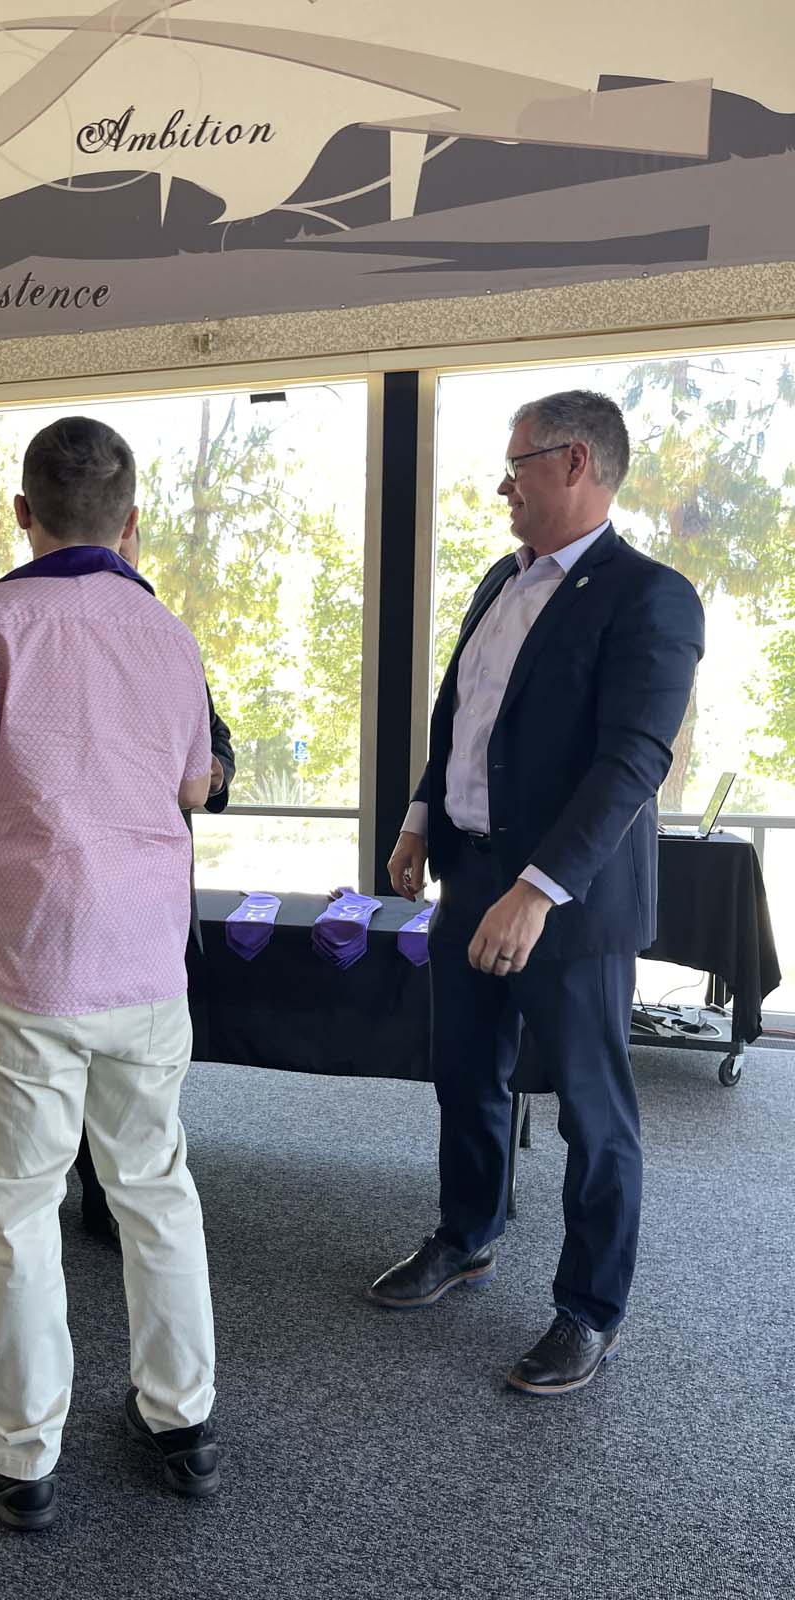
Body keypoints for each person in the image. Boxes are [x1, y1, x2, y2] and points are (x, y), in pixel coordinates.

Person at [0, 416, 220, 1529]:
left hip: (27, 962)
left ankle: (23, 1460)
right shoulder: (170, 634)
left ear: (23, 514)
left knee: (18, 1212)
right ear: (130, 521)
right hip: (147, 959)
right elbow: (195, 787)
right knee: (155, 1191)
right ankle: (184, 1421)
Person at [372, 390, 704, 1396]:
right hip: (469, 874)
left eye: (517, 463)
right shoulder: (496, 582)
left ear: (576, 463)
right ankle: (468, 1234)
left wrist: (538, 887)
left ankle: (590, 1307)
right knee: (464, 1074)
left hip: (568, 902)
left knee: (593, 1114)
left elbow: (633, 760)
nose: (502, 483)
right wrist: (420, 819)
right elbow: (461, 720)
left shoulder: (650, 595)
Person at [74, 518, 236, 1247]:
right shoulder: (39, 633)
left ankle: (122, 1188)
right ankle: (89, 1191)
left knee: (137, 1059)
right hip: (71, 885)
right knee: (71, 1044)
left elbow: (215, 746)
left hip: (152, 896)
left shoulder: (170, 640)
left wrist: (216, 772)